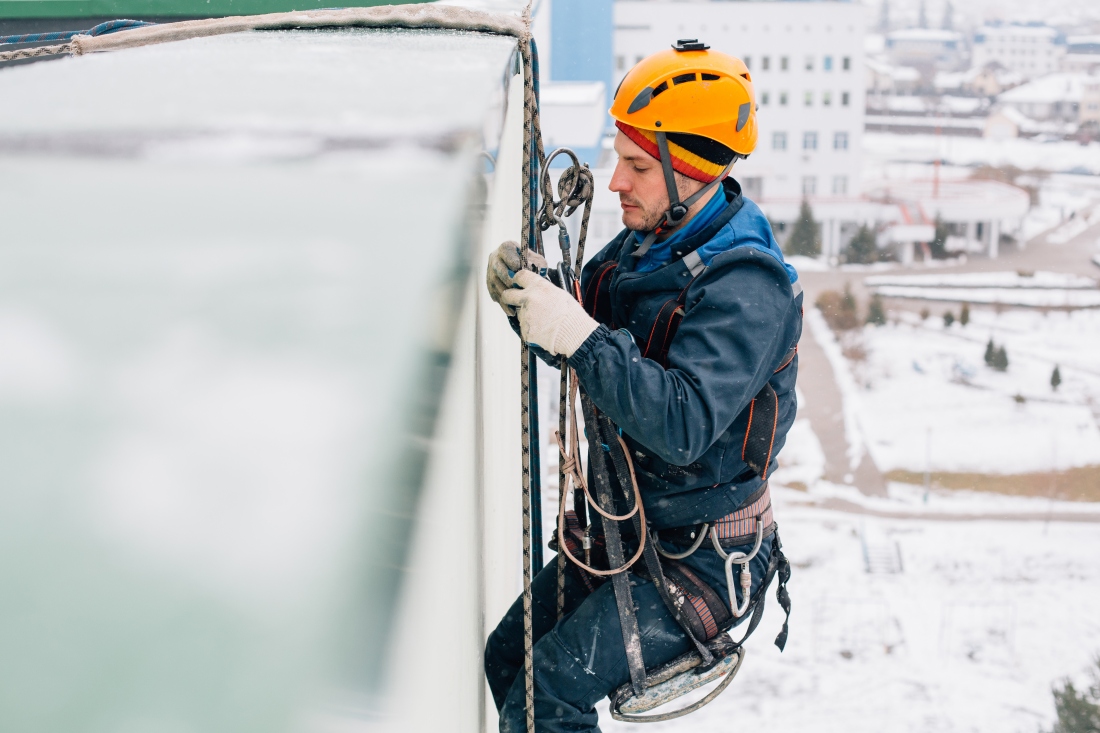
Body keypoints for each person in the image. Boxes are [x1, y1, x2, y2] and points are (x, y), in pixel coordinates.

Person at [483, 41, 801, 732]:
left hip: (704, 560)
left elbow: (682, 423)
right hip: (632, 534)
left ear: (687, 172)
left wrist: (578, 333)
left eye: (634, 165)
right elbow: (586, 327)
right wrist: (530, 297)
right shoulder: (649, 244)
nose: (617, 182)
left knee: (551, 694)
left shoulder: (746, 286)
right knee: (509, 658)